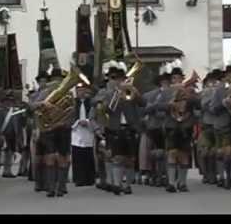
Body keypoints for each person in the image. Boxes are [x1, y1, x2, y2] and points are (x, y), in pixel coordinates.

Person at [96, 64, 145, 195]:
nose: (118, 81)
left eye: (121, 79)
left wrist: (135, 92)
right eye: (115, 79)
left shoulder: (131, 90)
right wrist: (115, 95)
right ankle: (117, 185)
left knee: (130, 160)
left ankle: (128, 185)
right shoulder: (108, 93)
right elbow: (106, 109)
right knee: (117, 158)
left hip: (130, 127)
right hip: (114, 127)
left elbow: (142, 103)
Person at [38, 68, 73, 197]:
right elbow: (32, 105)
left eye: (60, 80)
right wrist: (43, 103)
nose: (57, 82)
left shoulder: (68, 94)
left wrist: (64, 121)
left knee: (63, 158)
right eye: (55, 79)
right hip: (48, 129)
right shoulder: (45, 92)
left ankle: (61, 187)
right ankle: (51, 188)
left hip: (63, 129)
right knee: (50, 158)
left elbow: (71, 111)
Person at [164, 85, 199, 192]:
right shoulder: (169, 107)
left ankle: (182, 183)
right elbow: (158, 107)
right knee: (172, 154)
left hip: (185, 132)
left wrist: (189, 95)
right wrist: (171, 103)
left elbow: (198, 103)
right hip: (172, 132)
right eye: (179, 99)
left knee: (184, 156)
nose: (181, 102)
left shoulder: (190, 106)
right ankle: (171, 183)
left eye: (184, 99)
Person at [142, 73, 170, 187]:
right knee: (156, 153)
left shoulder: (173, 93)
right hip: (154, 126)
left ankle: (167, 176)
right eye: (163, 82)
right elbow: (145, 109)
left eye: (167, 82)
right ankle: (155, 175)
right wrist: (156, 105)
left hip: (169, 125)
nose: (165, 84)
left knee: (167, 152)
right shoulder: (150, 95)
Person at [198, 69, 224, 184]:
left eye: (215, 80)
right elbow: (203, 106)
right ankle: (208, 174)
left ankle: (219, 175)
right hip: (207, 124)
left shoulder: (223, 90)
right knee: (206, 152)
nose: (213, 83)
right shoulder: (205, 92)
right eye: (211, 81)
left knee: (218, 151)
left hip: (219, 123)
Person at [0, 91, 24, 178]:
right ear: (4, 102)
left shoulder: (16, 112)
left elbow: (19, 124)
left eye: (11, 101)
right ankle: (5, 171)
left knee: (11, 153)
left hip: (13, 135)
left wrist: (19, 136)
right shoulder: (0, 112)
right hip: (4, 135)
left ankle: (7, 170)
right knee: (5, 153)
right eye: (7, 100)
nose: (9, 102)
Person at [29, 71, 51, 192]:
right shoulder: (34, 95)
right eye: (41, 81)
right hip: (36, 128)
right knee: (37, 158)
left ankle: (48, 182)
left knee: (48, 156)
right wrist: (41, 103)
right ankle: (38, 182)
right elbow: (31, 106)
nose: (43, 83)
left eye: (45, 81)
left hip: (49, 127)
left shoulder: (51, 93)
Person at [71, 83, 96, 187]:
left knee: (88, 154)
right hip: (76, 130)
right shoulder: (72, 102)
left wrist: (87, 121)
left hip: (88, 131)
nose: (81, 92)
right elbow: (70, 115)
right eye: (79, 90)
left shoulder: (91, 102)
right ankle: (78, 178)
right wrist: (77, 122)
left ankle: (89, 178)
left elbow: (94, 115)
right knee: (77, 155)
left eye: (83, 90)